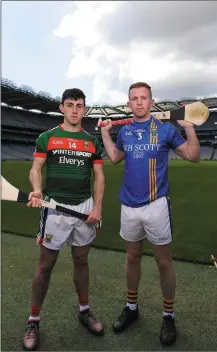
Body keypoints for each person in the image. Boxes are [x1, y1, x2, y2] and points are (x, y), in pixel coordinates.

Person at [101, 82, 200, 346]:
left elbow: (192, 155)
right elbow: (114, 158)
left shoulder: (166, 129)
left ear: (151, 101)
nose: (139, 102)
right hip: (128, 206)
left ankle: (169, 315)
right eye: (134, 98)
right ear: (129, 103)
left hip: (156, 206)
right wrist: (105, 134)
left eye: (144, 98)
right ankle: (132, 308)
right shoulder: (125, 132)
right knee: (132, 257)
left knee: (163, 263)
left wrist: (189, 128)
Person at [23, 88, 105, 351]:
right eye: (69, 105)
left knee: (81, 259)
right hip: (55, 207)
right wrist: (37, 190)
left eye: (79, 105)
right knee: (45, 265)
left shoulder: (92, 141)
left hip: (84, 208)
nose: (74, 110)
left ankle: (84, 310)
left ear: (85, 109)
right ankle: (33, 320)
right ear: (61, 107)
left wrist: (98, 208)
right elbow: (36, 169)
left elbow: (100, 177)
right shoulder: (47, 138)